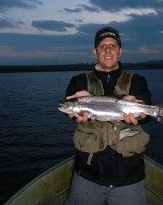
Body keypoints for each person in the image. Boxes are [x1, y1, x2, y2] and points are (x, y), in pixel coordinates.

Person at [63, 27, 152, 205]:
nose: (108, 50)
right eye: (102, 46)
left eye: (113, 45)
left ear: (120, 51)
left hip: (129, 174)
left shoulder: (137, 81)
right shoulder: (79, 81)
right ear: (95, 52)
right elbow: (70, 111)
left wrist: (139, 112)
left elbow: (146, 116)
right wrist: (74, 113)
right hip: (87, 173)